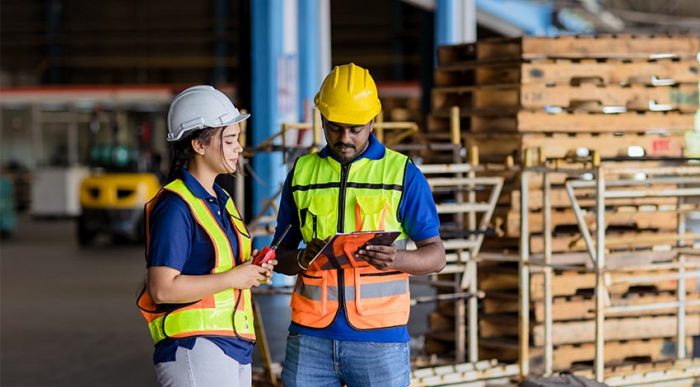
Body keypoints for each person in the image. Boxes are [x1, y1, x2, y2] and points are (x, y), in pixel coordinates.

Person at [273, 63, 446, 386]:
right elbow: (278, 256)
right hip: (309, 339)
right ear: (322, 119)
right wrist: (299, 258)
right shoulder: (302, 173)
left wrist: (397, 258)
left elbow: (435, 256)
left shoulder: (402, 174)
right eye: (335, 128)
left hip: (379, 342)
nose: (345, 139)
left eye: (355, 129)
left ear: (372, 121)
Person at [136, 85, 275, 387]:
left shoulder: (220, 199)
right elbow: (161, 289)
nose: (238, 147)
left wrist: (252, 271)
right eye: (229, 140)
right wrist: (234, 278)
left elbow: (219, 266)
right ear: (199, 144)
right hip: (195, 347)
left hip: (233, 344)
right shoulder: (175, 206)